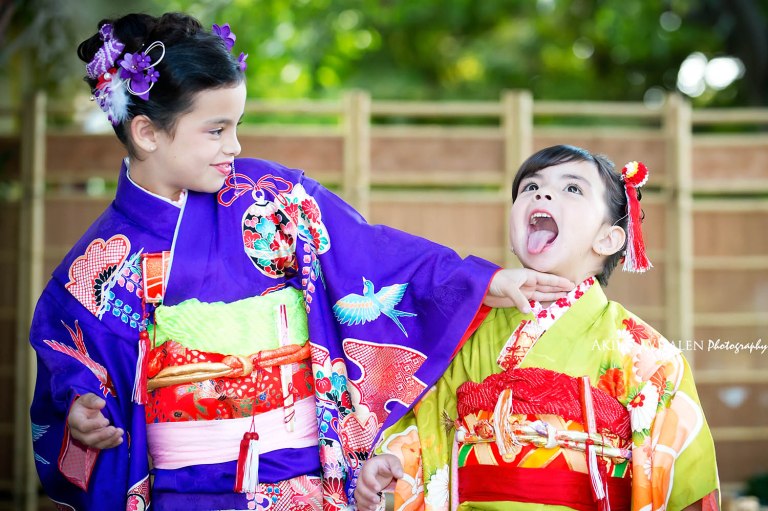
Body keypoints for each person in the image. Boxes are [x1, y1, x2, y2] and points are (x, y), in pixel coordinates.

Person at [28, 13, 575, 511]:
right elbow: (70, 358)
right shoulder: (98, 263)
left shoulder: (273, 198)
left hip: (304, 487)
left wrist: (482, 280)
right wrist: (79, 413)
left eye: (237, 126)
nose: (235, 146)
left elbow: (368, 252)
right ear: (147, 132)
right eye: (216, 130)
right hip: (188, 495)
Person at [355, 145, 720, 511]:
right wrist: (397, 459)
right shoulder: (468, 328)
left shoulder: (645, 354)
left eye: (572, 188)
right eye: (530, 187)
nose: (542, 193)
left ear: (608, 239)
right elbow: (433, 417)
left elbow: (682, 483)